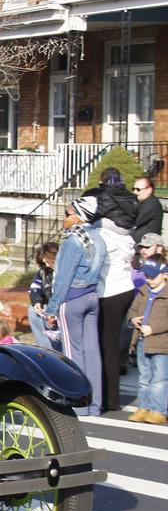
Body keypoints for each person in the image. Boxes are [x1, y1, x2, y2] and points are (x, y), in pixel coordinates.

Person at [44, 196, 108, 417]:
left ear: (78, 217)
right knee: (92, 352)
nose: (64, 217)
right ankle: (95, 405)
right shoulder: (99, 238)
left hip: (72, 299)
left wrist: (51, 309)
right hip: (92, 296)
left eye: (67, 213)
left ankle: (78, 405)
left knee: (73, 355)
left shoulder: (73, 240)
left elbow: (63, 279)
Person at [90, 196, 137, 412]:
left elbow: (95, 263)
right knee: (114, 342)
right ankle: (112, 397)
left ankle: (106, 399)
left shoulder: (102, 234)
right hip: (126, 289)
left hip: (108, 291)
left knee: (103, 345)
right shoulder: (126, 234)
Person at [126, 255, 168, 424]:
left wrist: (153, 328)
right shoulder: (144, 291)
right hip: (143, 340)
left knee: (159, 378)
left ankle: (158, 410)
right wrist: (133, 320)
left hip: (161, 343)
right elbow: (133, 310)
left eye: (152, 276)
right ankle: (144, 406)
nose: (149, 279)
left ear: (165, 274)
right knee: (144, 376)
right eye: (147, 275)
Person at [28, 242, 62, 352]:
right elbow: (35, 288)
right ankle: (45, 346)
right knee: (32, 311)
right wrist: (37, 302)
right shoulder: (42, 272)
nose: (46, 265)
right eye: (44, 261)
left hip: (59, 306)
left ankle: (58, 348)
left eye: (49, 262)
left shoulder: (63, 272)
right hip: (47, 305)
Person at [83, 167, 137, 235]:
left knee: (89, 227)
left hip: (116, 226)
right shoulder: (127, 193)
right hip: (130, 227)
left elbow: (100, 212)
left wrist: (88, 222)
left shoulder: (106, 193)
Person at [131, 177, 163, 242]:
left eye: (138, 189)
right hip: (138, 244)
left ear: (149, 190)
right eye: (133, 189)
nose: (134, 192)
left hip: (146, 247)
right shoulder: (140, 203)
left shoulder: (152, 204)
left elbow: (133, 221)